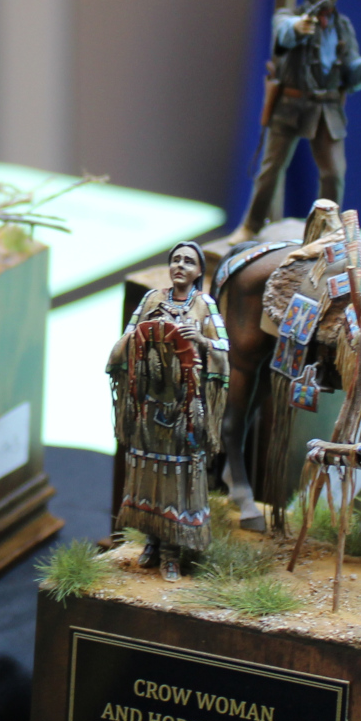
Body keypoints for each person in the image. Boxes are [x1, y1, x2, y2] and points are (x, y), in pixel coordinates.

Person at [228, 0, 361, 243]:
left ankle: (328, 232)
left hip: (326, 109)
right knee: (271, 170)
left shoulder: (342, 27)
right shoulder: (289, 18)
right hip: (290, 107)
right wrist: (298, 28)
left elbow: (350, 71)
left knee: (333, 173)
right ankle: (251, 225)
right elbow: (284, 33)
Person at [108, 242, 229, 581]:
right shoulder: (152, 300)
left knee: (177, 478)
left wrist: (200, 340)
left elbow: (223, 347)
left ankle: (172, 553)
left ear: (199, 270)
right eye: (175, 260)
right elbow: (127, 337)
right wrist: (142, 338)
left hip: (184, 407)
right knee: (148, 474)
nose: (180, 265)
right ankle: (151, 540)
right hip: (150, 402)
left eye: (188, 261)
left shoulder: (204, 305)